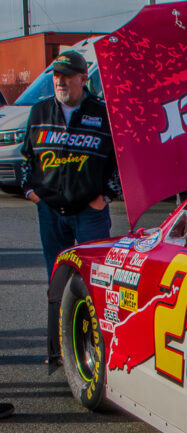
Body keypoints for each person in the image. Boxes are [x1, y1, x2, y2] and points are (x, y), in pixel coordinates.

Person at [20, 50, 120, 279]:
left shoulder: (103, 113)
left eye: (66, 75)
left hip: (90, 213)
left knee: (95, 280)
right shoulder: (39, 112)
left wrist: (104, 197)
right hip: (50, 211)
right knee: (57, 281)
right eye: (56, 75)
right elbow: (27, 156)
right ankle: (56, 316)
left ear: (84, 79)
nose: (60, 81)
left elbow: (118, 163)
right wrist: (32, 193)